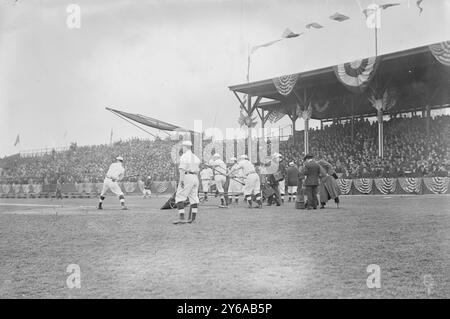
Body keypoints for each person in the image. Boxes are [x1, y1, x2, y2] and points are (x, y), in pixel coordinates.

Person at [173, 140, 201, 225]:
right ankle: (193, 219)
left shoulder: (184, 156)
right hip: (195, 177)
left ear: (185, 147)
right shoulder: (196, 157)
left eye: (183, 147)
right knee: (193, 197)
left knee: (179, 196)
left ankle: (181, 218)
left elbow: (182, 169)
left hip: (187, 176)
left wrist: (181, 181)